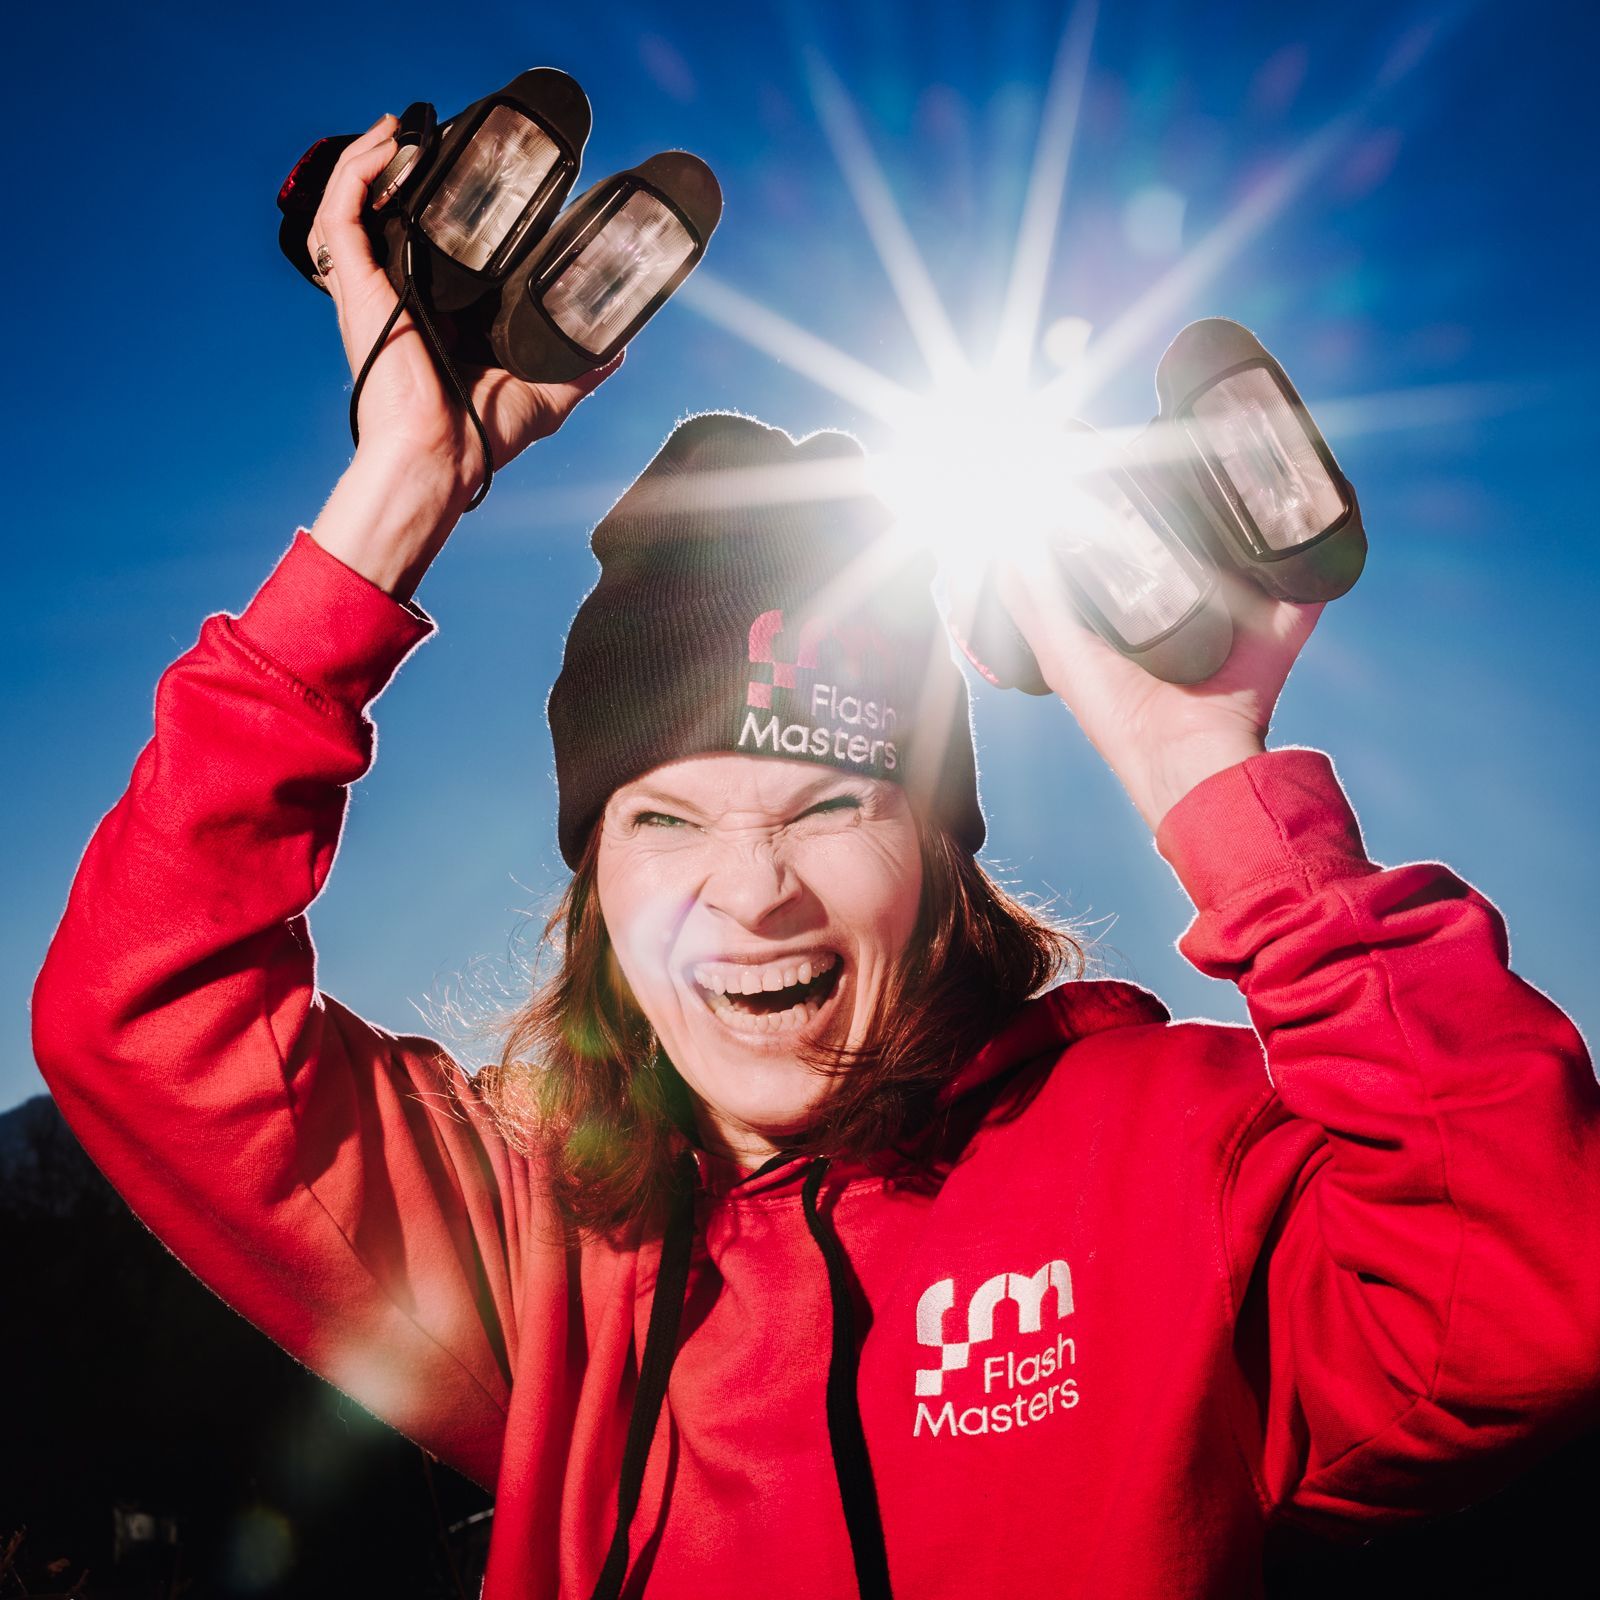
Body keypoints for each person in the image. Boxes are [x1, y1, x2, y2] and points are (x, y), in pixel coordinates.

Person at [31, 114, 1600, 1600]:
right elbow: (143, 1011)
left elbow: (1526, 1298)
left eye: (828, 806)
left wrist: (1214, 784)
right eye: (664, 820)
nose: (752, 890)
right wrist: (395, 496)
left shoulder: (1172, 1151)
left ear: (935, 855)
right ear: (597, 886)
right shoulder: (539, 1247)